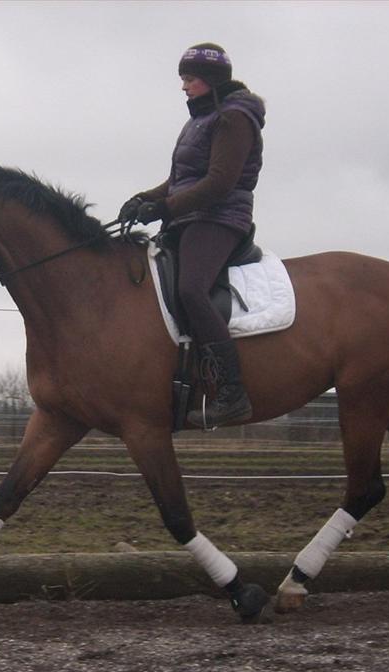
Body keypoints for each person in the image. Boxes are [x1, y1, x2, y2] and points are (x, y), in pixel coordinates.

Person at [120, 42, 266, 428]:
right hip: (189, 218)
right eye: (183, 79)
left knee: (190, 290)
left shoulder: (234, 119)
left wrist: (164, 208)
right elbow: (181, 179)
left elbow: (220, 182)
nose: (183, 87)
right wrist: (144, 199)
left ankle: (232, 393)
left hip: (220, 218)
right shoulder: (199, 120)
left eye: (189, 79)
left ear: (211, 80)